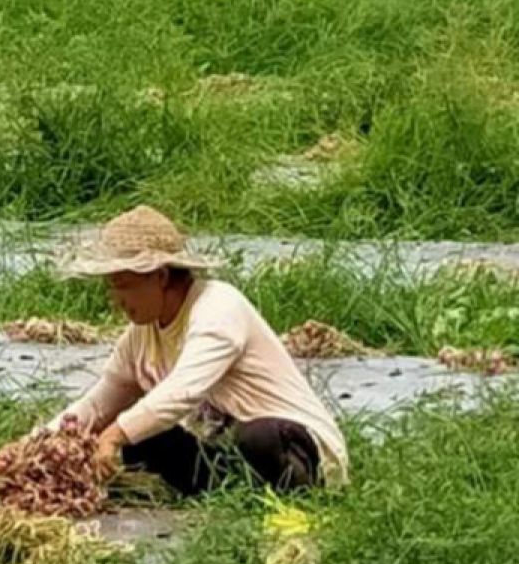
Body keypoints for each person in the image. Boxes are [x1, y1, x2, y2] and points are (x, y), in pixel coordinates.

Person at [41, 205, 348, 495]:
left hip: (294, 446)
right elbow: (98, 403)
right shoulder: (140, 335)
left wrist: (114, 435)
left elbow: (182, 390)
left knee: (259, 438)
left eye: (122, 284)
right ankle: (230, 493)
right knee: (144, 441)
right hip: (224, 448)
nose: (115, 299)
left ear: (160, 276)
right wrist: (35, 446)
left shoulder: (217, 308)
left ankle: (289, 489)